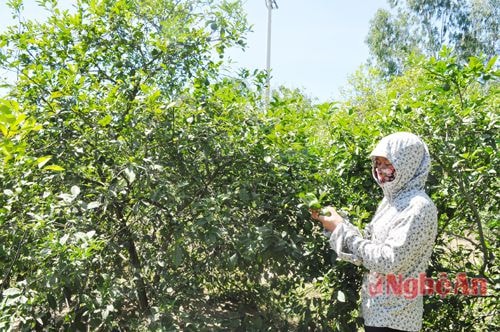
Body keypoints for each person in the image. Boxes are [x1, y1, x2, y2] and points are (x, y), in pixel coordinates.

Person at [311, 132, 438, 332]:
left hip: (396, 318)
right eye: (377, 162)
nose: (380, 169)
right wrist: (337, 226)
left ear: (407, 162)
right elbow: (368, 249)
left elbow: (387, 261)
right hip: (379, 312)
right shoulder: (391, 201)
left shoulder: (417, 207)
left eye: (387, 162)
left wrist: (342, 230)